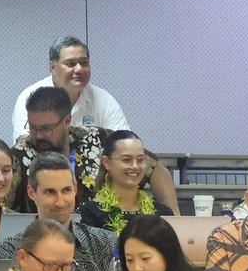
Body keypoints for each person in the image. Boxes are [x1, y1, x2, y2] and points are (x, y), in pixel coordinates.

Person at [10, 85, 178, 213]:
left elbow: (155, 170)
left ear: (67, 121)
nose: (38, 135)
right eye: (32, 127)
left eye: (46, 128)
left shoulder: (98, 139)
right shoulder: (19, 155)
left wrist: (176, 220)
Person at [0, 152, 119, 271]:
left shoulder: (107, 244)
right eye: (50, 192)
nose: (60, 202)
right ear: (32, 193)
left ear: (75, 188)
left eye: (66, 190)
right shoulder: (10, 253)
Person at [11, 35, 129, 135]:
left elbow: (124, 141)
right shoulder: (30, 97)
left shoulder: (103, 99)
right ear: (53, 67)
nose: (79, 69)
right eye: (70, 64)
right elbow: (24, 144)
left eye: (84, 63)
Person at [78, 129, 175, 234]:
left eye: (140, 160)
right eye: (126, 160)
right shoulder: (91, 212)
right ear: (107, 163)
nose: (135, 166)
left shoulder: (162, 212)